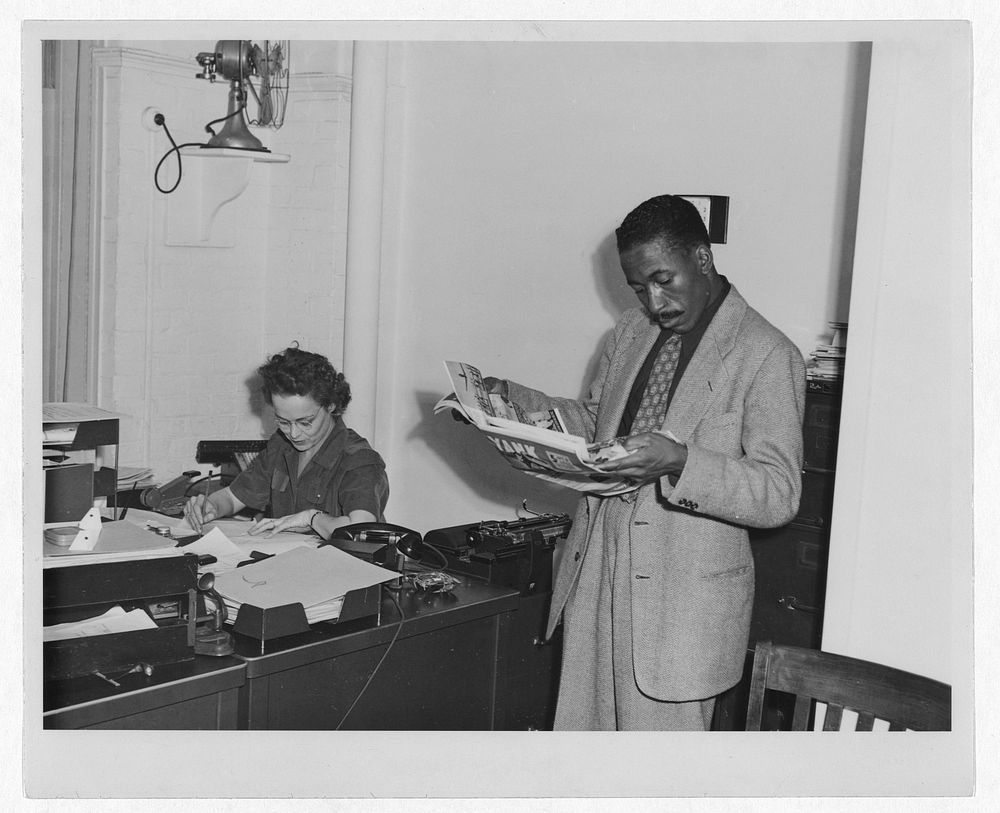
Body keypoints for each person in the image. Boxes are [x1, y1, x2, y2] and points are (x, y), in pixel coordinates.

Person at [488, 195, 805, 730]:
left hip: (681, 607)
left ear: (702, 258)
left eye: (664, 279)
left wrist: (679, 462)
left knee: (660, 778)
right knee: (584, 764)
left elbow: (779, 492)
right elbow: (597, 423)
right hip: (596, 573)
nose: (654, 302)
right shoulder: (630, 334)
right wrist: (508, 403)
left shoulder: (767, 353)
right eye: (639, 288)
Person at [183, 345, 389, 540]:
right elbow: (232, 497)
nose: (294, 433)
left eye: (305, 422)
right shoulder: (281, 446)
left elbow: (361, 532)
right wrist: (211, 506)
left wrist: (312, 518)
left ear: (331, 405)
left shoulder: (359, 460)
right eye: (283, 421)